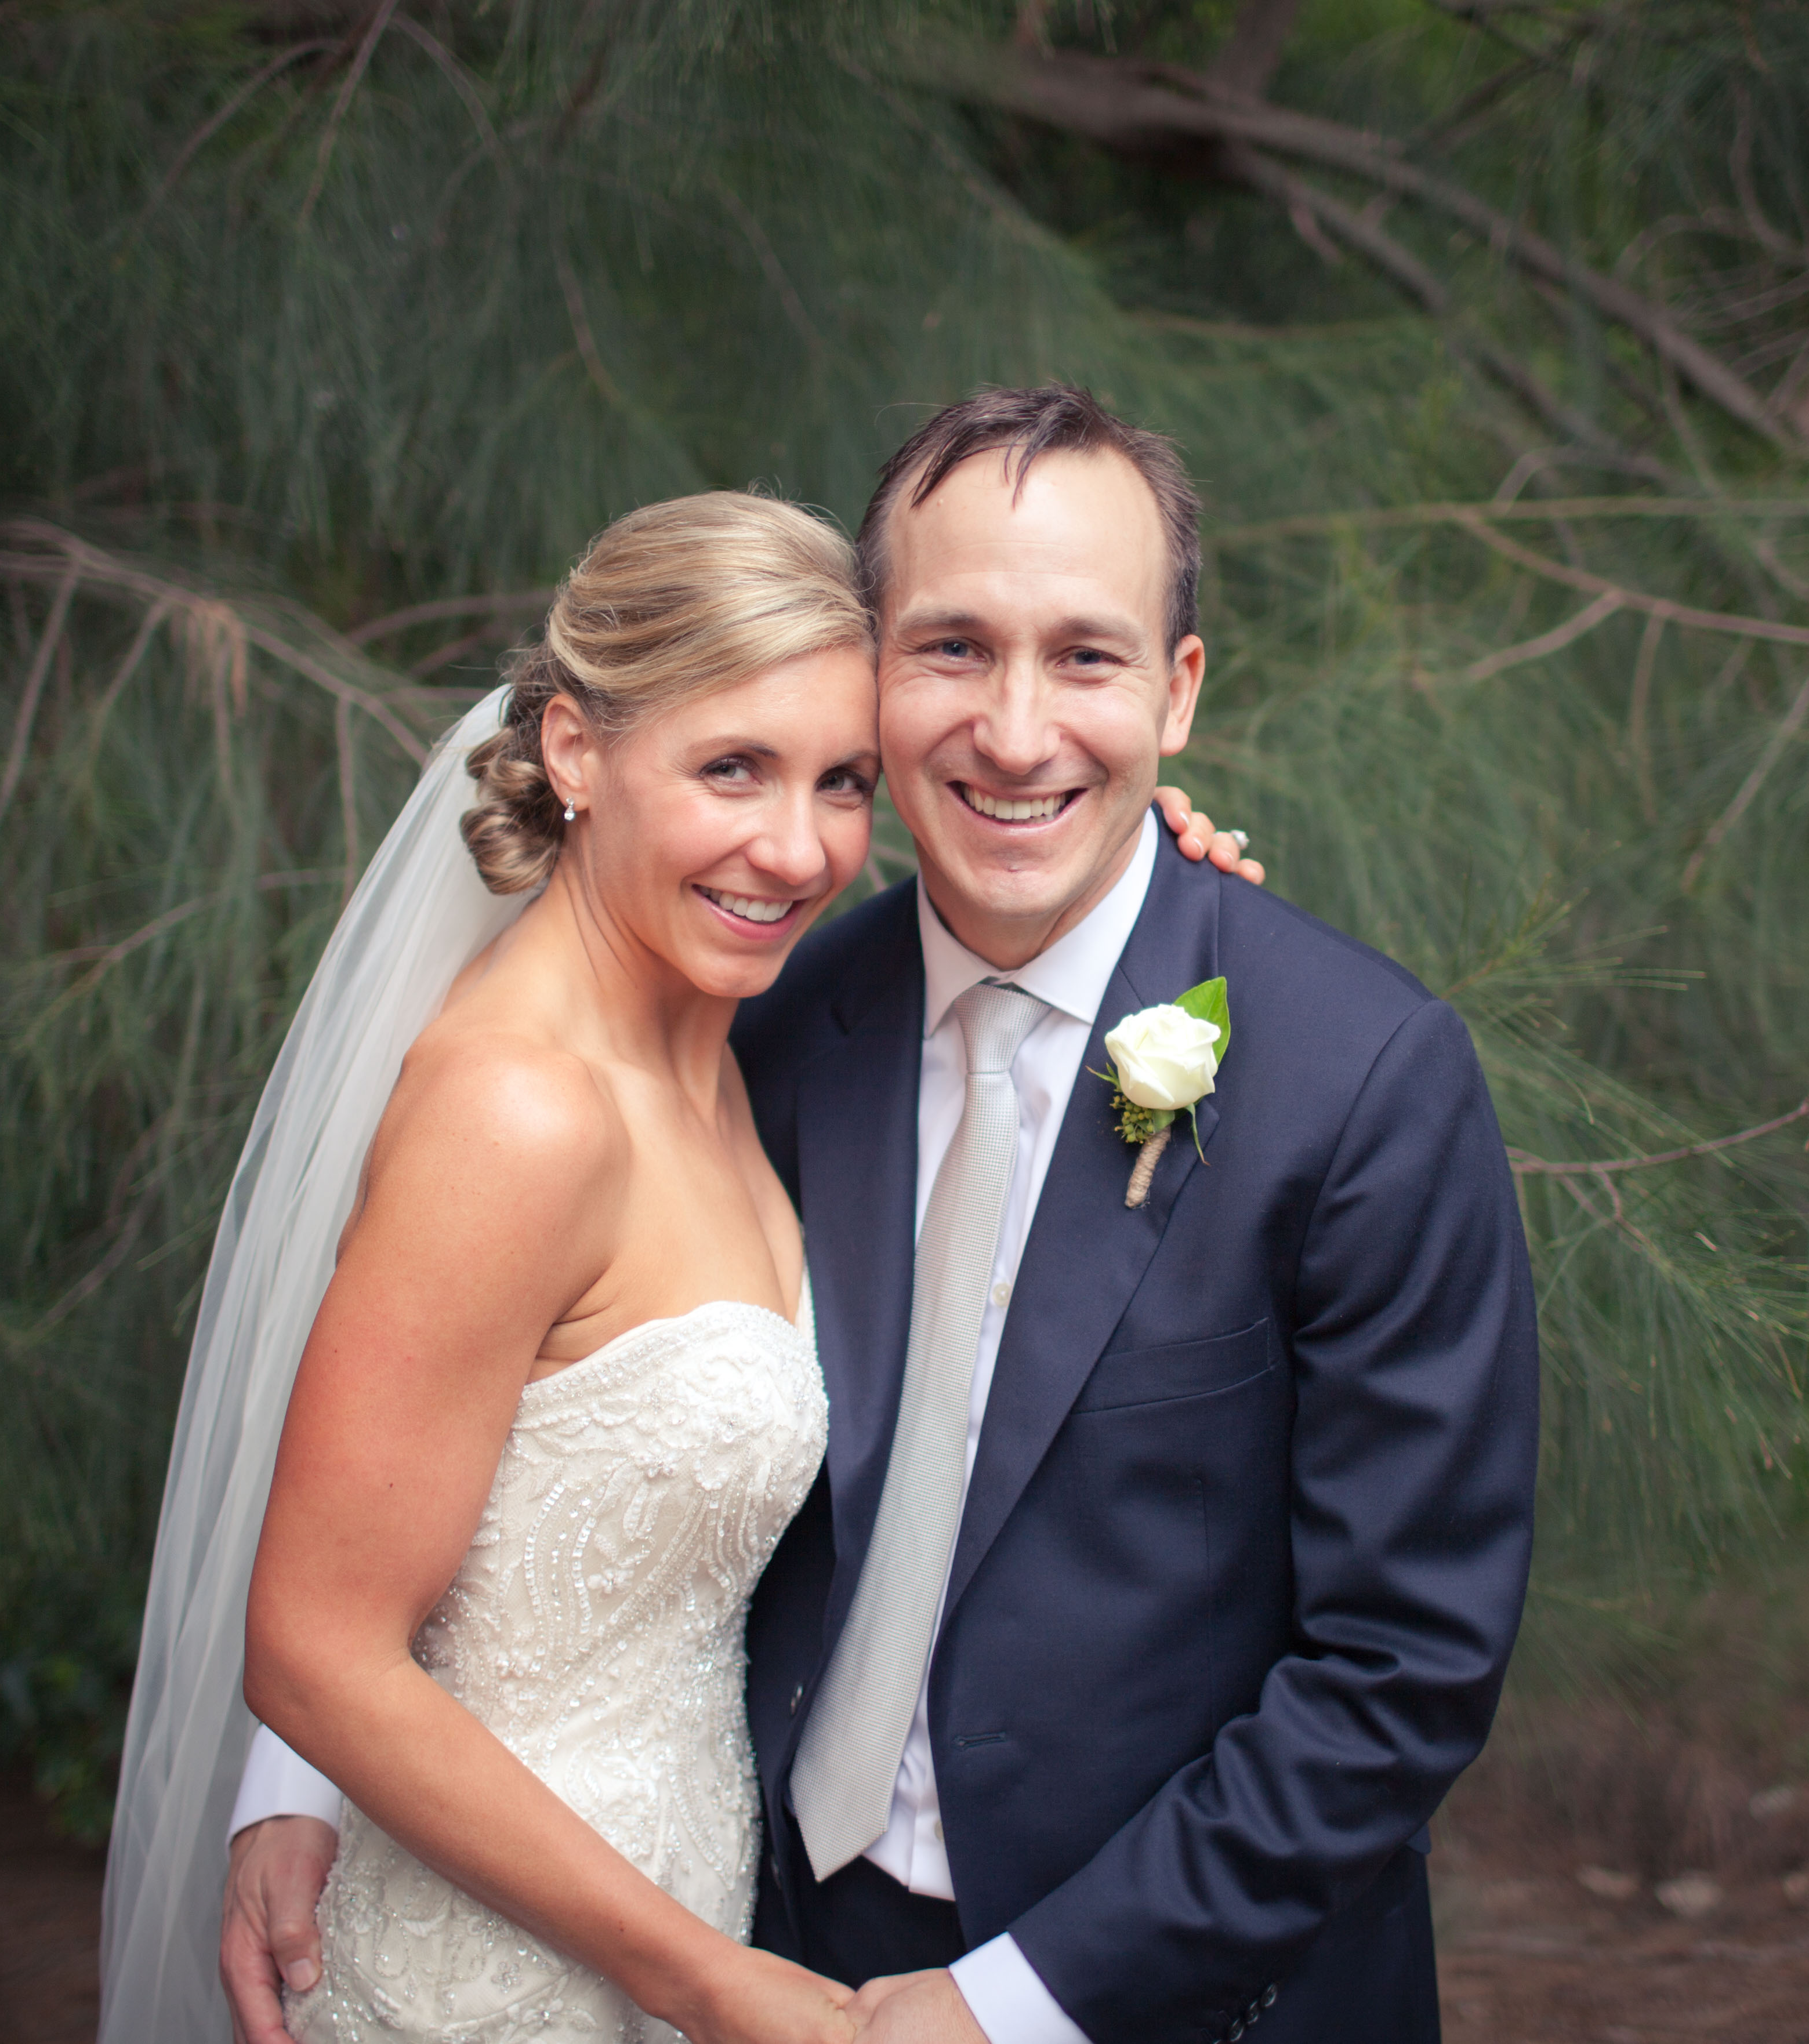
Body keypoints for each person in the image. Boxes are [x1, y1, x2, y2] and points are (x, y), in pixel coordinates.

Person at [222, 385, 1541, 2044]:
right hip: (755, 1945)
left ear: (1179, 689)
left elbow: (1403, 1670)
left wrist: (1014, 2009)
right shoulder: (762, 1012)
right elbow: (453, 1434)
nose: (1016, 731)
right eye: (953, 650)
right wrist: (305, 1770)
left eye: (1086, 656)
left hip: (1166, 1994)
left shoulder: (1362, 1079)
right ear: (880, 669)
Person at [99, 484, 1257, 2044]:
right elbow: (315, 1650)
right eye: (732, 769)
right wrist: (703, 1982)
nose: (797, 849)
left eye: (843, 782)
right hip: (491, 1975)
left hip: (688, 1914)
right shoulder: (520, 1114)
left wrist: (1139, 863)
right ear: (576, 751)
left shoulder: (751, 1038)